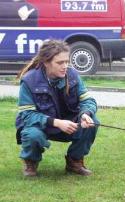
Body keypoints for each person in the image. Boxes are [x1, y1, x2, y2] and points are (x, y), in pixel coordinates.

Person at [15, 39, 99, 177]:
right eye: (60, 63)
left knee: (92, 121)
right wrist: (56, 123)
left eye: (67, 61)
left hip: (69, 124)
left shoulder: (72, 75)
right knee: (32, 135)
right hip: (40, 125)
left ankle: (74, 161)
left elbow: (88, 100)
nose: (65, 66)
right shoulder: (29, 80)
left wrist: (85, 113)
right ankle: (31, 161)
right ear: (46, 62)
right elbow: (27, 114)